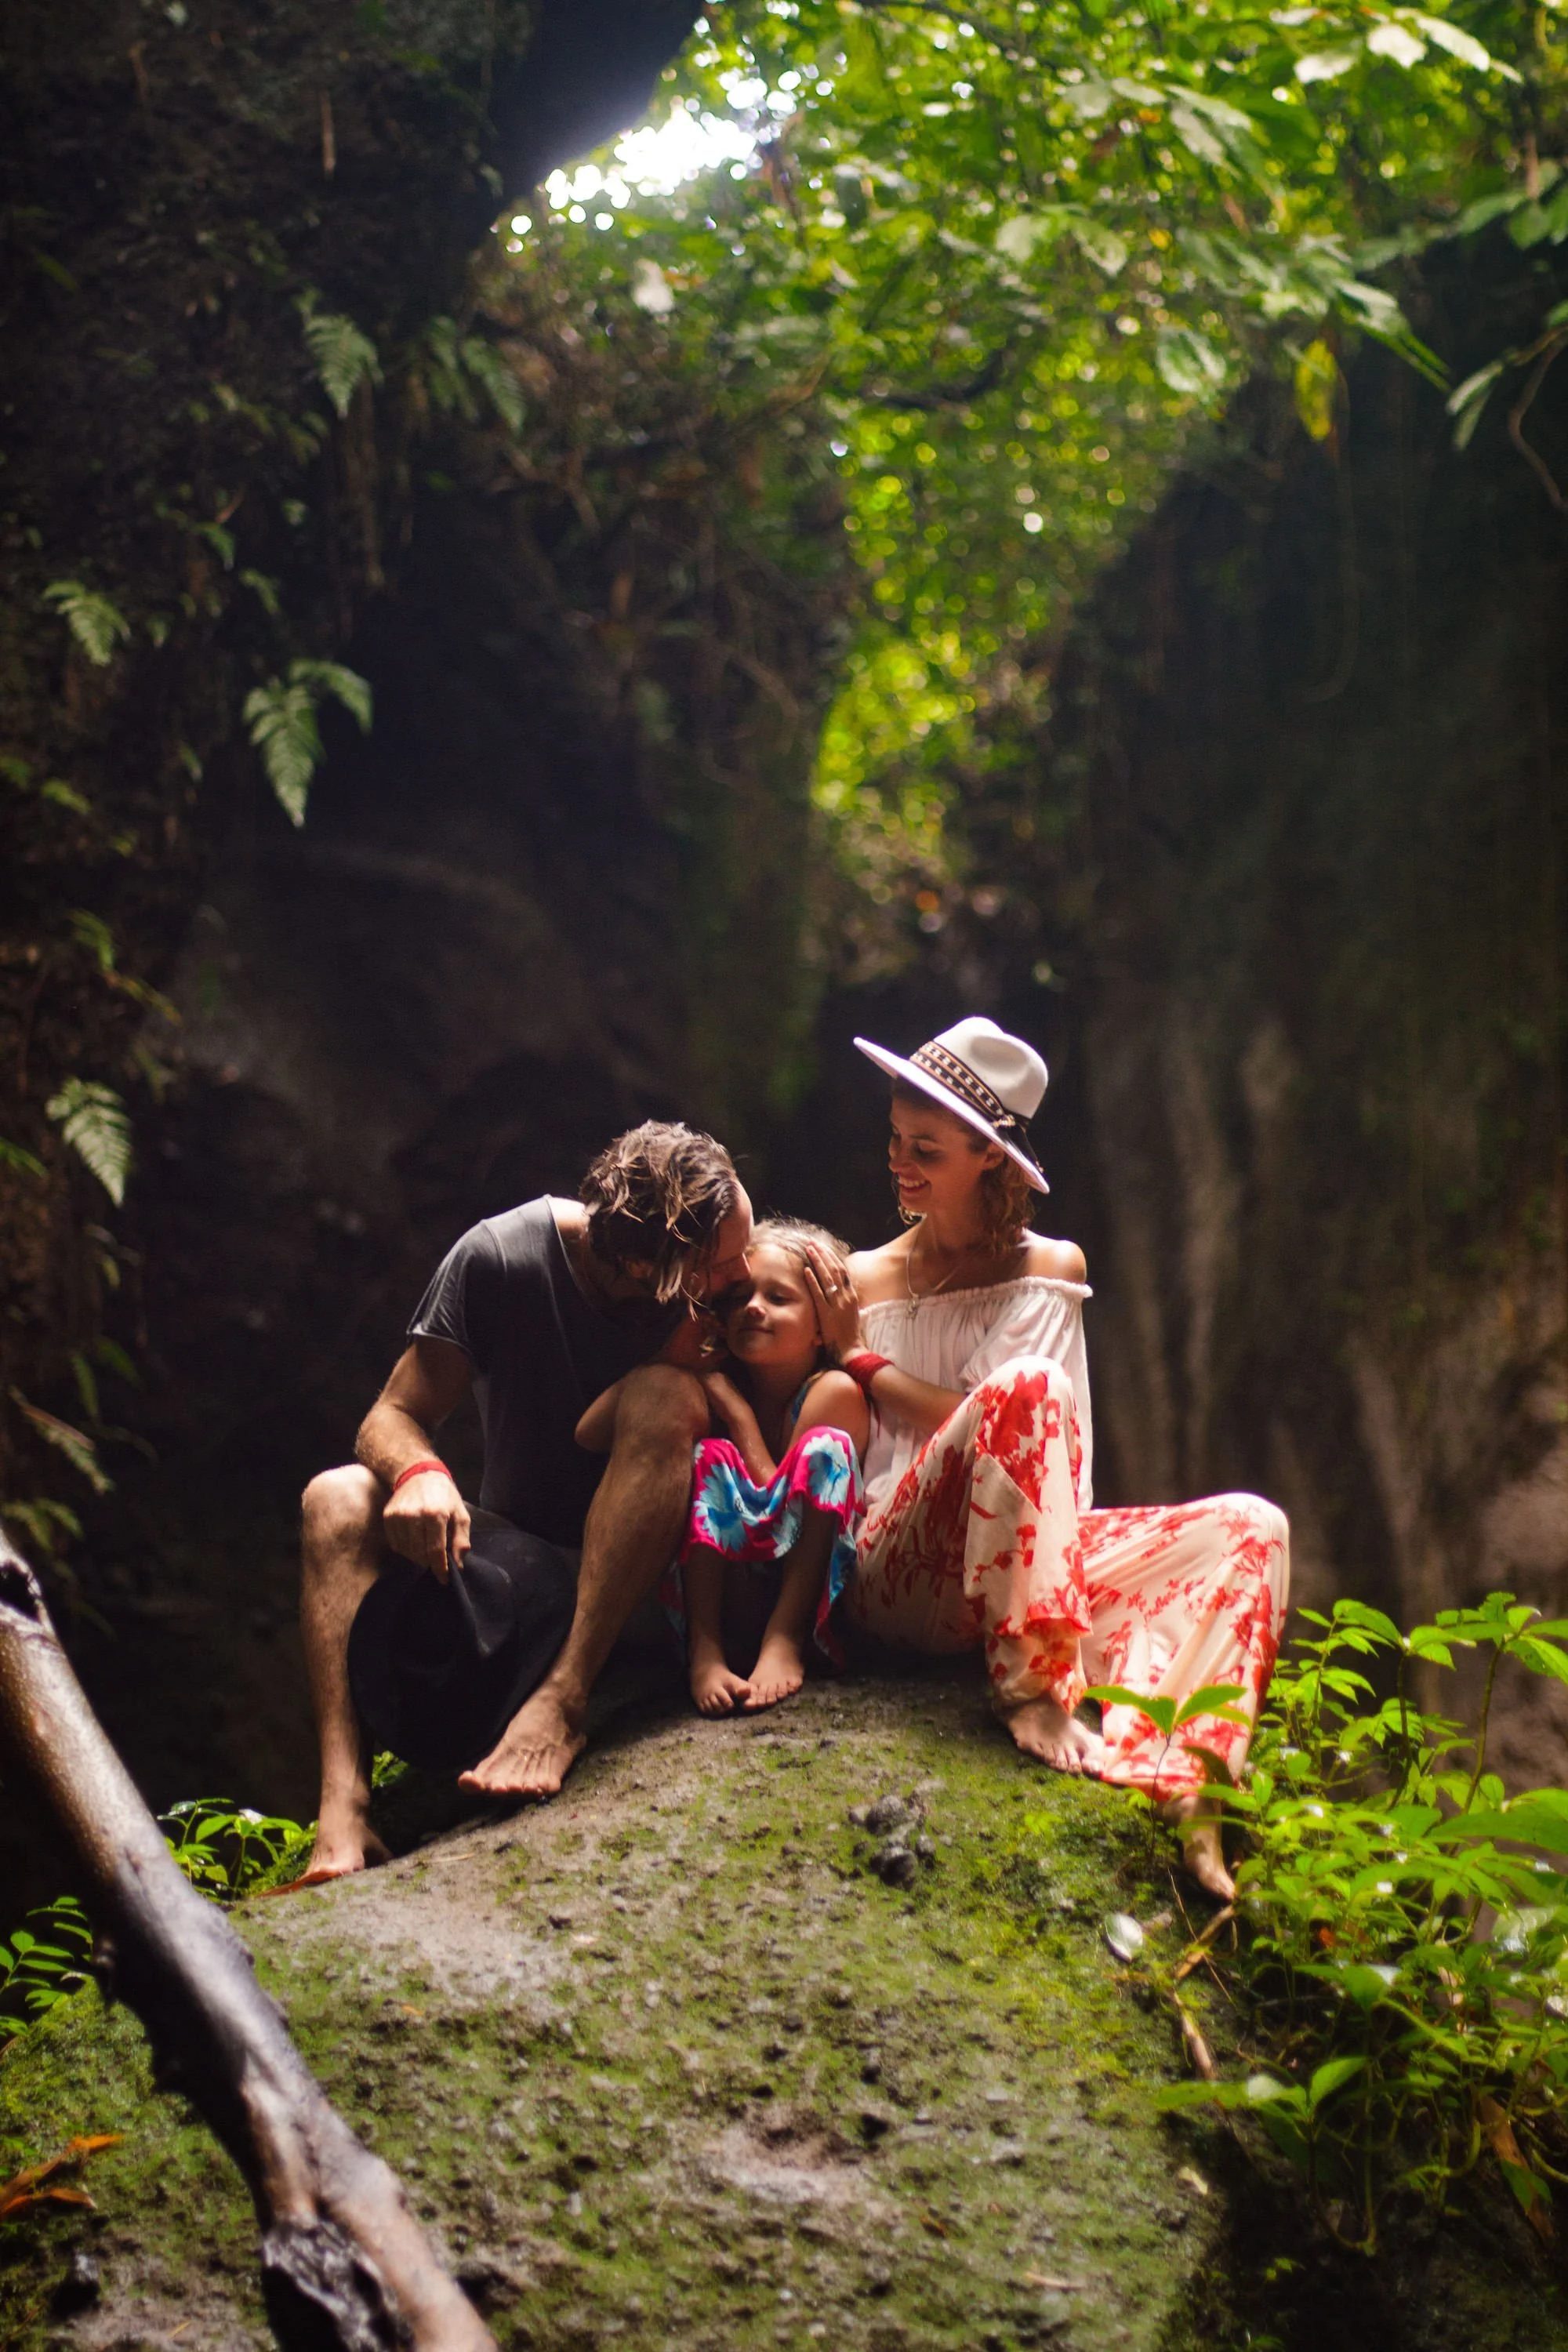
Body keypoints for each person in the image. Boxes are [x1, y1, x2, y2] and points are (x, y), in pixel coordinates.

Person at [800, 1018, 1289, 1901]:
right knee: (1026, 1388)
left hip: (1021, 1564)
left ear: (989, 1154)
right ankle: (1032, 1688)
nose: (896, 1163)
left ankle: (1189, 1783)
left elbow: (1003, 1416)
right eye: (893, 1138)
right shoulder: (861, 1276)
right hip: (892, 1572)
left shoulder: (1046, 1266)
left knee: (1251, 1525)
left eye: (925, 1148)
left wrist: (863, 1364)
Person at [296, 1121, 753, 1881]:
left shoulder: (727, 1293)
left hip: (660, 1591)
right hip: (519, 1576)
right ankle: (343, 1810)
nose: (742, 1271)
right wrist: (420, 1475)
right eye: (722, 1262)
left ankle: (563, 1704)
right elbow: (391, 1415)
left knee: (666, 1394)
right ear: (649, 1265)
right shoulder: (501, 1257)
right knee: (335, 1499)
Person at [580, 1218, 866, 1718]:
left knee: (825, 1450)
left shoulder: (832, 1391)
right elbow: (588, 1432)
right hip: (731, 1589)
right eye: (739, 1299)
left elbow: (781, 1511)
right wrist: (675, 1358)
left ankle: (785, 1639)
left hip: (798, 1584)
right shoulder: (714, 1376)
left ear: (823, 1327)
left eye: (779, 1299)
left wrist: (736, 1415)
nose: (753, 1308)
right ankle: (703, 1652)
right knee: (708, 1456)